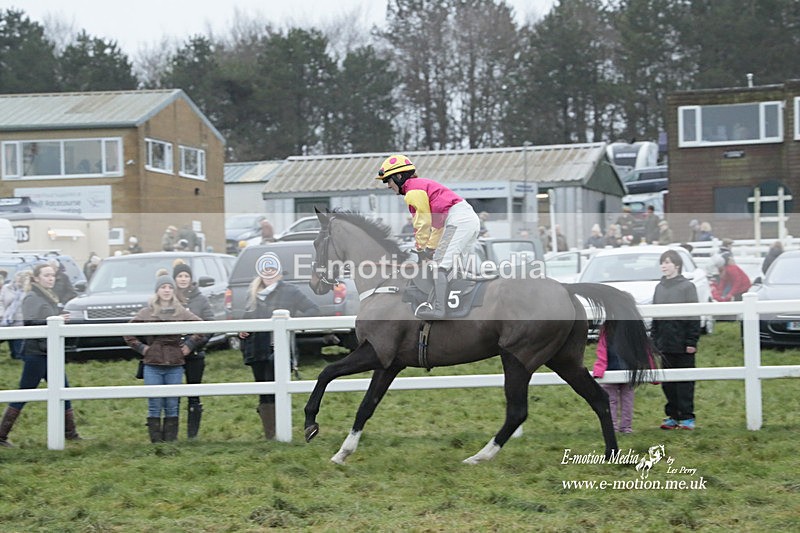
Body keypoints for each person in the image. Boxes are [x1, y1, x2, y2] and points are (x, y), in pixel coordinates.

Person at [376, 154, 480, 320]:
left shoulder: (412, 191)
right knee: (458, 268)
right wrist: (429, 248)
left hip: (458, 220)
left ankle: (439, 309)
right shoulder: (422, 187)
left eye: (388, 180)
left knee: (439, 266)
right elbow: (437, 226)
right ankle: (460, 308)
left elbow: (422, 223)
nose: (388, 186)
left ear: (399, 176)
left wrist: (420, 248)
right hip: (467, 219)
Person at [237, 252, 319, 440]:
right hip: (256, 350)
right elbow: (246, 320)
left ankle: (280, 433)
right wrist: (242, 331)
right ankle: (270, 435)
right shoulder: (253, 294)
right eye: (265, 269)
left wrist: (291, 324)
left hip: (278, 351)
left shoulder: (290, 291)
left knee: (277, 391)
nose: (269, 272)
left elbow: (313, 310)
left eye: (272, 268)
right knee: (263, 392)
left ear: (279, 271)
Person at [0, 263, 81, 447]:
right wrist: (56, 319)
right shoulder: (32, 297)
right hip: (36, 354)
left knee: (63, 389)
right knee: (25, 391)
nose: (51, 278)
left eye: (52, 275)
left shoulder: (48, 296)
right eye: (46, 275)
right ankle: (1, 434)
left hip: (48, 351)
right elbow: (32, 323)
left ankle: (70, 432)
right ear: (36, 278)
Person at [123, 274, 204, 443]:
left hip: (175, 363)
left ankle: (170, 441)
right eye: (163, 287)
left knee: (172, 403)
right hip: (152, 363)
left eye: (169, 287)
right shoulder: (147, 312)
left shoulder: (181, 310)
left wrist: (189, 345)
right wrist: (143, 348)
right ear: (157, 291)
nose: (166, 291)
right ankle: (156, 443)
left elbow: (201, 327)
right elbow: (127, 332)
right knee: (154, 402)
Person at [652, 250, 700, 431]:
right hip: (665, 344)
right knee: (668, 383)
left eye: (667, 262)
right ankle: (672, 416)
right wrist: (654, 341)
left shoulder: (687, 287)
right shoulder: (659, 287)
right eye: (662, 262)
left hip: (683, 344)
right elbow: (655, 317)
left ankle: (687, 417)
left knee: (685, 382)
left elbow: (694, 316)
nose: (664, 266)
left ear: (677, 265)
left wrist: (691, 342)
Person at [172, 260, 214, 439]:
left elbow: (209, 326)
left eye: (186, 276)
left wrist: (191, 345)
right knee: (172, 394)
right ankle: (170, 434)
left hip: (195, 354)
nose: (183, 279)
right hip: (172, 355)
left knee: (193, 395)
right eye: (180, 276)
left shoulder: (201, 299)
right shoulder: (167, 296)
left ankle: (192, 435)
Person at [593, 324, 634, 433]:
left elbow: (601, 352)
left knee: (613, 401)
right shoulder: (631, 330)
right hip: (625, 370)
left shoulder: (607, 330)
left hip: (612, 369)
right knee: (626, 400)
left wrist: (599, 369)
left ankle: (614, 427)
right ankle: (625, 427)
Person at [0, 270, 31, 360]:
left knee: (17, 349)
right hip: (5, 319)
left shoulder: (28, 290)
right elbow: (0, 301)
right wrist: (1, 314)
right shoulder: (6, 288)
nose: (19, 280)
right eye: (18, 277)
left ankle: (17, 358)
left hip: (19, 320)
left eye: (22, 278)